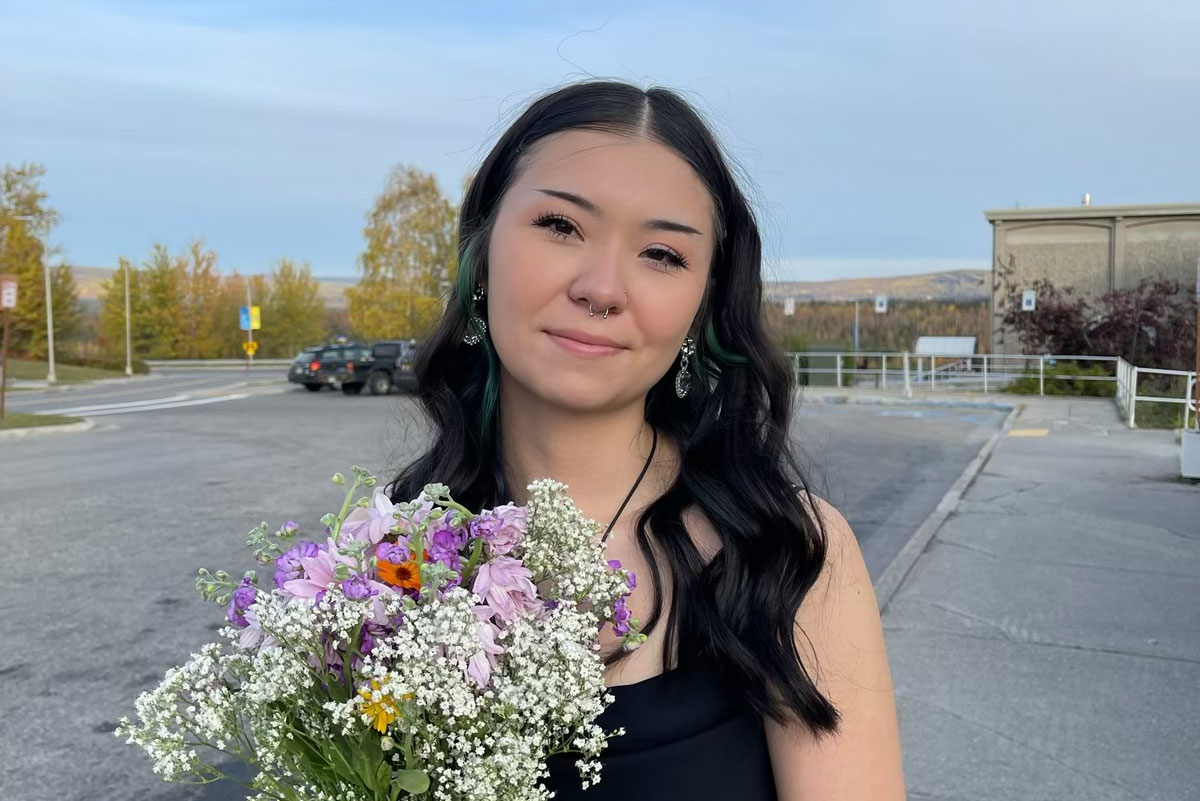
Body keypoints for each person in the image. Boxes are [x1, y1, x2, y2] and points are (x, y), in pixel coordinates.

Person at [388, 80, 905, 800]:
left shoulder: (785, 556)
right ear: (483, 250)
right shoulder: (388, 555)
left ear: (702, 306)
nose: (603, 287)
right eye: (561, 226)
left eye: (662, 253)